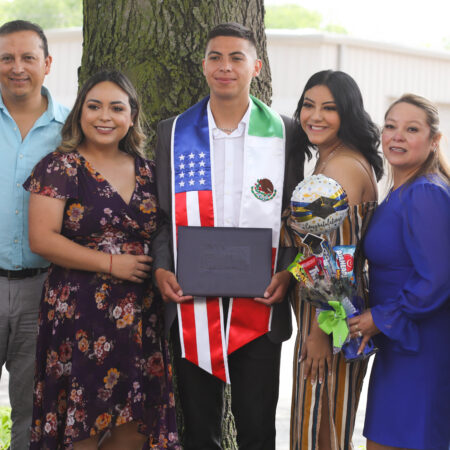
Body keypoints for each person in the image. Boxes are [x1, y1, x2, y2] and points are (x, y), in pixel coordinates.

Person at [152, 22, 305, 449]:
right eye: (216, 57)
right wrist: (162, 267)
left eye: (236, 57)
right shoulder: (173, 133)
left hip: (259, 302)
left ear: (256, 66)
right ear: (203, 65)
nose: (225, 66)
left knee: (256, 428)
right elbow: (163, 217)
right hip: (191, 302)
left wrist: (288, 273)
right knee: (200, 430)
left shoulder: (286, 132)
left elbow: (296, 218)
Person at [23, 70, 179, 449]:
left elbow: (164, 233)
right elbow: (41, 239)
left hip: (141, 316)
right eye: (94, 106)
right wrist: (110, 264)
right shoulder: (60, 167)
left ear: (131, 117)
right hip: (79, 314)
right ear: (79, 114)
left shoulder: (150, 172)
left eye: (116, 108)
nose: (104, 116)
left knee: (134, 426)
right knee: (82, 428)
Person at [281, 69, 383, 450]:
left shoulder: (339, 168)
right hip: (333, 309)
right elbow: (314, 248)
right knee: (328, 422)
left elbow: (334, 257)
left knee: (319, 427)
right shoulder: (338, 160)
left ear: (348, 114)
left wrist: (321, 332)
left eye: (329, 108)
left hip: (331, 317)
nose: (315, 116)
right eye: (308, 105)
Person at [348, 94, 450, 450]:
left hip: (421, 349)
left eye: (411, 129)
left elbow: (438, 278)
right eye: (390, 127)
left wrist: (383, 316)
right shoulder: (400, 191)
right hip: (399, 345)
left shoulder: (426, 193)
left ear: (434, 141)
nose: (397, 136)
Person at [0, 20, 70, 449]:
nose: (17, 67)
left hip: (44, 288)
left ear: (47, 64)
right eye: (6, 58)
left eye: (28, 58)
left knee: (33, 410)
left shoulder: (72, 132)